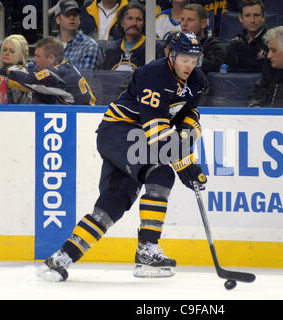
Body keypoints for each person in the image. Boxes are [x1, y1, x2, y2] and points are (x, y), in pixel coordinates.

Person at [36, 31, 207, 282]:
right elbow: (156, 131)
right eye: (184, 58)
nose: (189, 65)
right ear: (170, 55)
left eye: (194, 59)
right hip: (118, 131)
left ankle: (62, 258)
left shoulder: (197, 80)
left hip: (136, 139)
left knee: (114, 202)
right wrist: (185, 163)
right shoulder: (154, 75)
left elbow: (190, 115)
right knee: (161, 172)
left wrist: (186, 137)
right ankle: (147, 250)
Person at [0, 36, 96, 105]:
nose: (34, 60)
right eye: (5, 49)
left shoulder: (52, 73)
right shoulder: (62, 68)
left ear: (51, 58)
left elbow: (20, 79)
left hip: (81, 117)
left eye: (12, 51)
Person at [248, 26, 283, 107]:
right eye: (269, 50)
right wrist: (255, 107)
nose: (268, 56)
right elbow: (254, 97)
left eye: (273, 50)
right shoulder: (269, 70)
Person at [55, 0, 103, 70]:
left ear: (79, 19)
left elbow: (82, 78)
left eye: (75, 14)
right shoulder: (49, 46)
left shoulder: (90, 47)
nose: (72, 17)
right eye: (67, 14)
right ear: (58, 20)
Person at [100, 3, 148, 71]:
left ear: (144, 23)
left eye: (139, 19)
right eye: (130, 18)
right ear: (122, 23)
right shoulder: (110, 49)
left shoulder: (153, 48)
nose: (134, 23)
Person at [224, 0, 268, 73]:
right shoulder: (235, 43)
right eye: (247, 15)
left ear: (263, 17)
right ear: (241, 18)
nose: (252, 20)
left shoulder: (272, 42)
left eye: (256, 15)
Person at [180, 3, 226, 74]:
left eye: (190, 20)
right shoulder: (174, 44)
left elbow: (215, 68)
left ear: (203, 24)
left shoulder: (214, 46)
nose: (184, 24)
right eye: (182, 19)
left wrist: (188, 57)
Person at [0, 34, 32, 104]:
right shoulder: (3, 71)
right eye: (4, 50)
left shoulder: (18, 72)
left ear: (21, 55)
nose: (6, 53)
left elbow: (13, 103)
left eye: (12, 51)